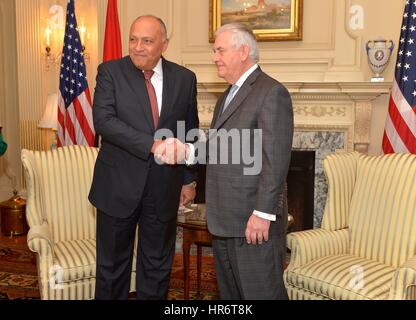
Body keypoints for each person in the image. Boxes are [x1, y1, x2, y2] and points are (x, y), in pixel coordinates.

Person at [88, 15, 199, 300]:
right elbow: (104, 122)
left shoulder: (185, 79)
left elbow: (190, 130)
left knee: (157, 267)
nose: (138, 47)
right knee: (112, 269)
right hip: (117, 187)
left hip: (164, 188)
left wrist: (189, 180)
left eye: (147, 41)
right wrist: (153, 145)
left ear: (164, 44)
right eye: (133, 39)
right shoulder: (110, 72)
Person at [205, 23, 293, 300]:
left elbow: (274, 161)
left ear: (243, 51)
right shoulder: (226, 95)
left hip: (253, 224)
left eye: (220, 50)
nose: (214, 57)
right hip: (225, 222)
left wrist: (263, 214)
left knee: (261, 293)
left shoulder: (271, 92)